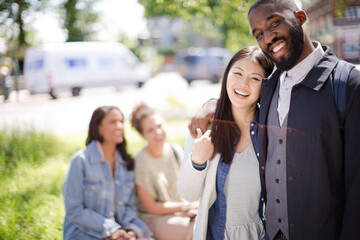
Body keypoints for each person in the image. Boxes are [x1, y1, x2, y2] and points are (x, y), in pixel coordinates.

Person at [189, 1, 360, 239]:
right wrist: (213, 105)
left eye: (274, 23)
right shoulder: (270, 83)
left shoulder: (347, 83)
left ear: (300, 17)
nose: (268, 37)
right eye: (258, 34)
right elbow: (242, 97)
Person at [178, 46, 274, 240]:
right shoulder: (204, 126)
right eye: (237, 73)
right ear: (226, 76)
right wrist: (198, 160)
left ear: (265, 85)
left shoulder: (272, 130)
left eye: (255, 78)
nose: (243, 84)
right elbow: (187, 194)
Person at [63, 106, 153, 240]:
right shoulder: (81, 161)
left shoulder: (126, 163)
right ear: (98, 127)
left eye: (121, 122)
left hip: (121, 232)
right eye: (113, 122)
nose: (119, 126)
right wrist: (112, 230)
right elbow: (74, 210)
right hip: (84, 234)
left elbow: (129, 206)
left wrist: (130, 230)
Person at [130, 103, 198, 240]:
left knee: (211, 221)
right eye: (150, 130)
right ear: (143, 135)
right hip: (154, 219)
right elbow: (151, 207)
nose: (158, 132)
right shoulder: (141, 162)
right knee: (196, 230)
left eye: (160, 125)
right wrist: (185, 207)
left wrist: (189, 208)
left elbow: (182, 188)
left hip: (178, 212)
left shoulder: (174, 150)